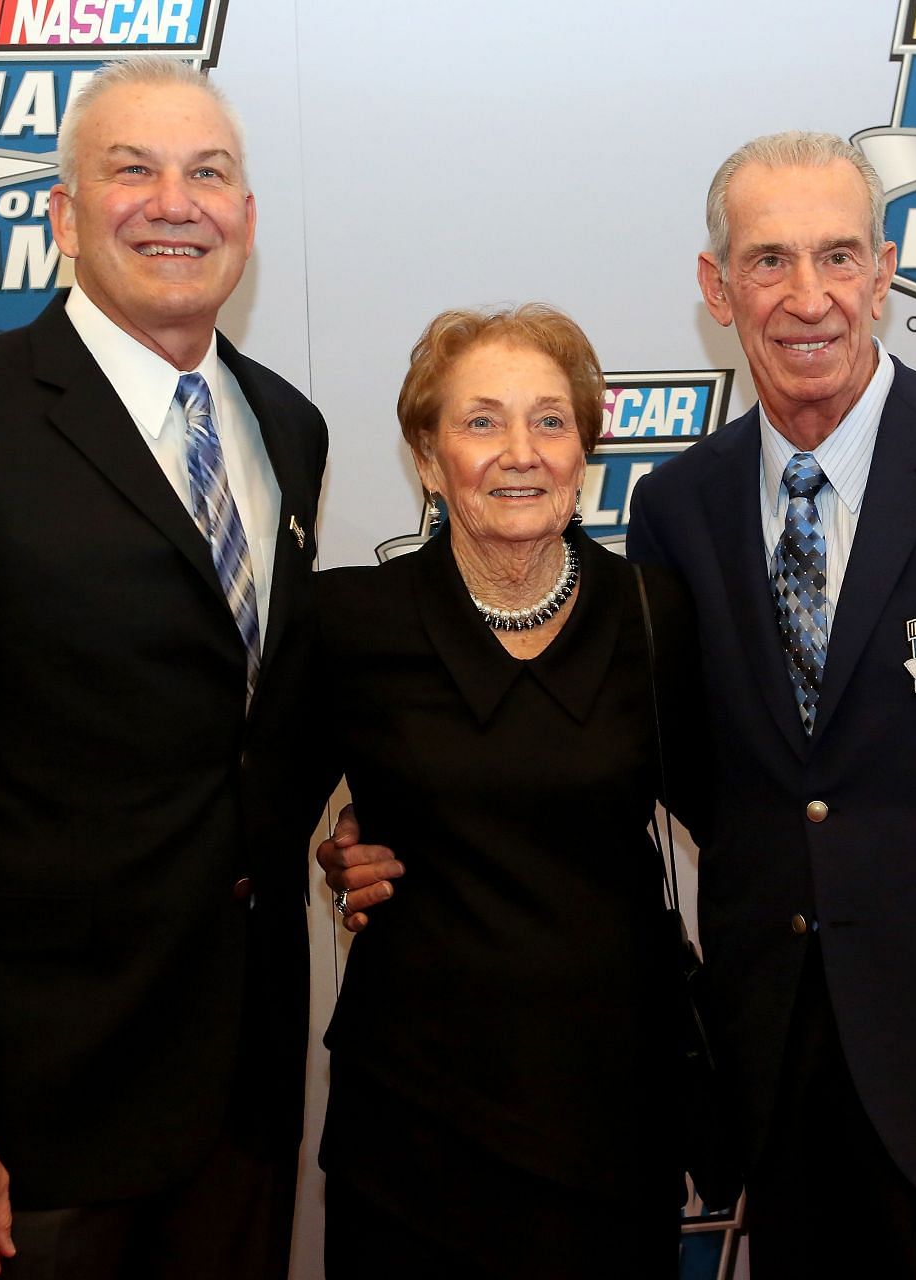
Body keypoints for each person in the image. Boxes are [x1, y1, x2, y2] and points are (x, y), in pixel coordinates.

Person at [324, 130, 916, 1278]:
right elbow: (657, 770)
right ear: (719, 289)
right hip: (773, 1088)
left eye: (836, 256)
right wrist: (389, 840)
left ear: (888, 269)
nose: (805, 296)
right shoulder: (683, 505)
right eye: (768, 260)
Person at [0, 57, 326, 1280]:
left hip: (244, 1101)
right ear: (63, 214)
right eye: (130, 169)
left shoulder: (286, 424)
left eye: (209, 173)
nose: (173, 201)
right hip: (31, 1122)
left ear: (247, 217)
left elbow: (247, 716)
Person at [307, 305, 708, 1279]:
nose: (519, 452)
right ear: (429, 460)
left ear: (585, 452)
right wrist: (336, 853)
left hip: (613, 1121)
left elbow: (752, 821)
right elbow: (240, 822)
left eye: (550, 420)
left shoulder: (656, 610)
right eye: (481, 421)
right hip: (410, 1130)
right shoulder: (349, 619)